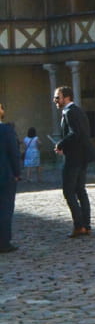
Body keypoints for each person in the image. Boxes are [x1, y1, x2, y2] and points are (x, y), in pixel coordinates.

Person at [53, 85, 94, 237]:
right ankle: (86, 225)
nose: (55, 100)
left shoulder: (70, 112)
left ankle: (79, 225)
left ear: (67, 97)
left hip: (74, 159)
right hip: (81, 156)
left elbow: (75, 133)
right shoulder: (78, 111)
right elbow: (80, 135)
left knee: (69, 191)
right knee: (80, 191)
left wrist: (60, 144)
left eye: (57, 97)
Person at [0, 102, 20, 253]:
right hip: (5, 175)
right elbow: (14, 153)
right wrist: (17, 173)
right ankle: (4, 242)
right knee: (5, 210)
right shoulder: (6, 130)